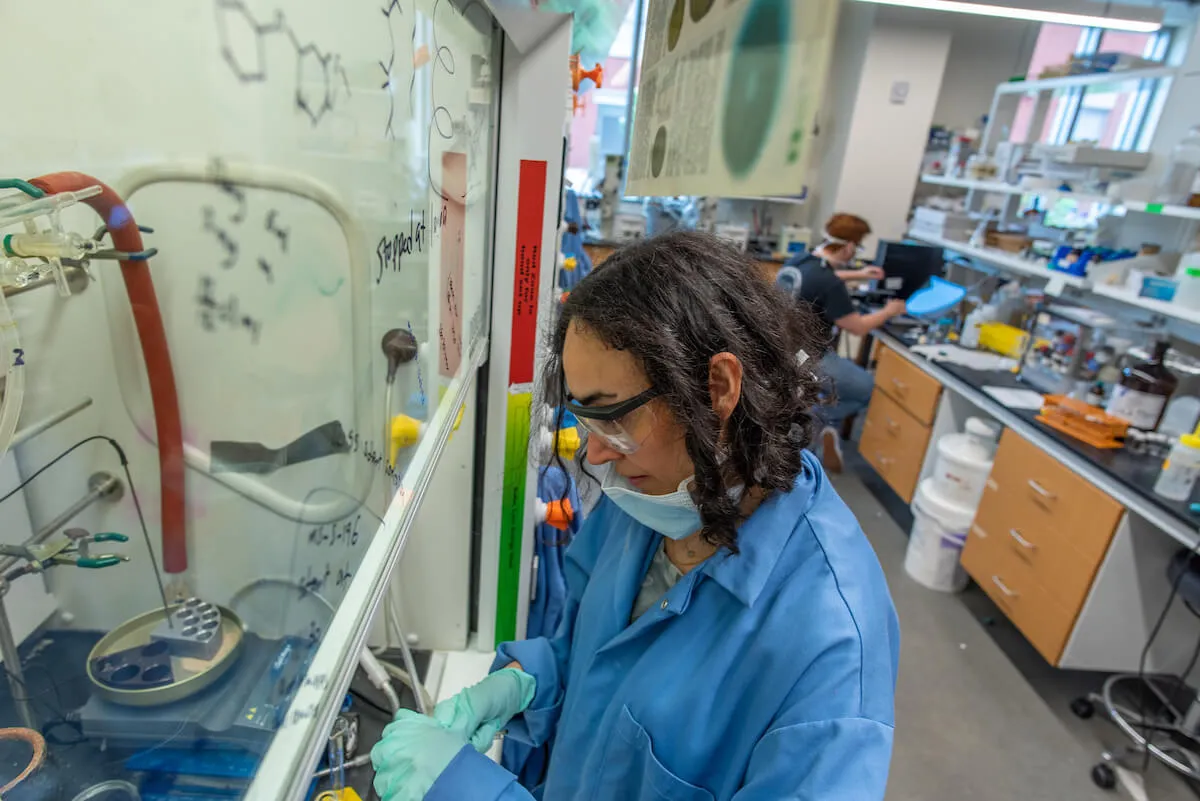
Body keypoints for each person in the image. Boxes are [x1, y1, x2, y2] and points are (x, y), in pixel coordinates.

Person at [370, 231, 899, 801]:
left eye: (613, 419)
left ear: (718, 388)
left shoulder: (831, 653)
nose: (596, 455)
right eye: (585, 421)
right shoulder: (651, 502)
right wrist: (525, 683)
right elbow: (593, 658)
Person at [775, 213, 908, 474]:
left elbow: (819, 278)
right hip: (809, 358)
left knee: (827, 387)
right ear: (849, 247)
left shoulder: (800, 260)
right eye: (857, 247)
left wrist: (859, 274)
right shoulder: (830, 283)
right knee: (865, 386)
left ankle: (818, 420)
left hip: (782, 349)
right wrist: (889, 311)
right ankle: (819, 421)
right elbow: (857, 328)